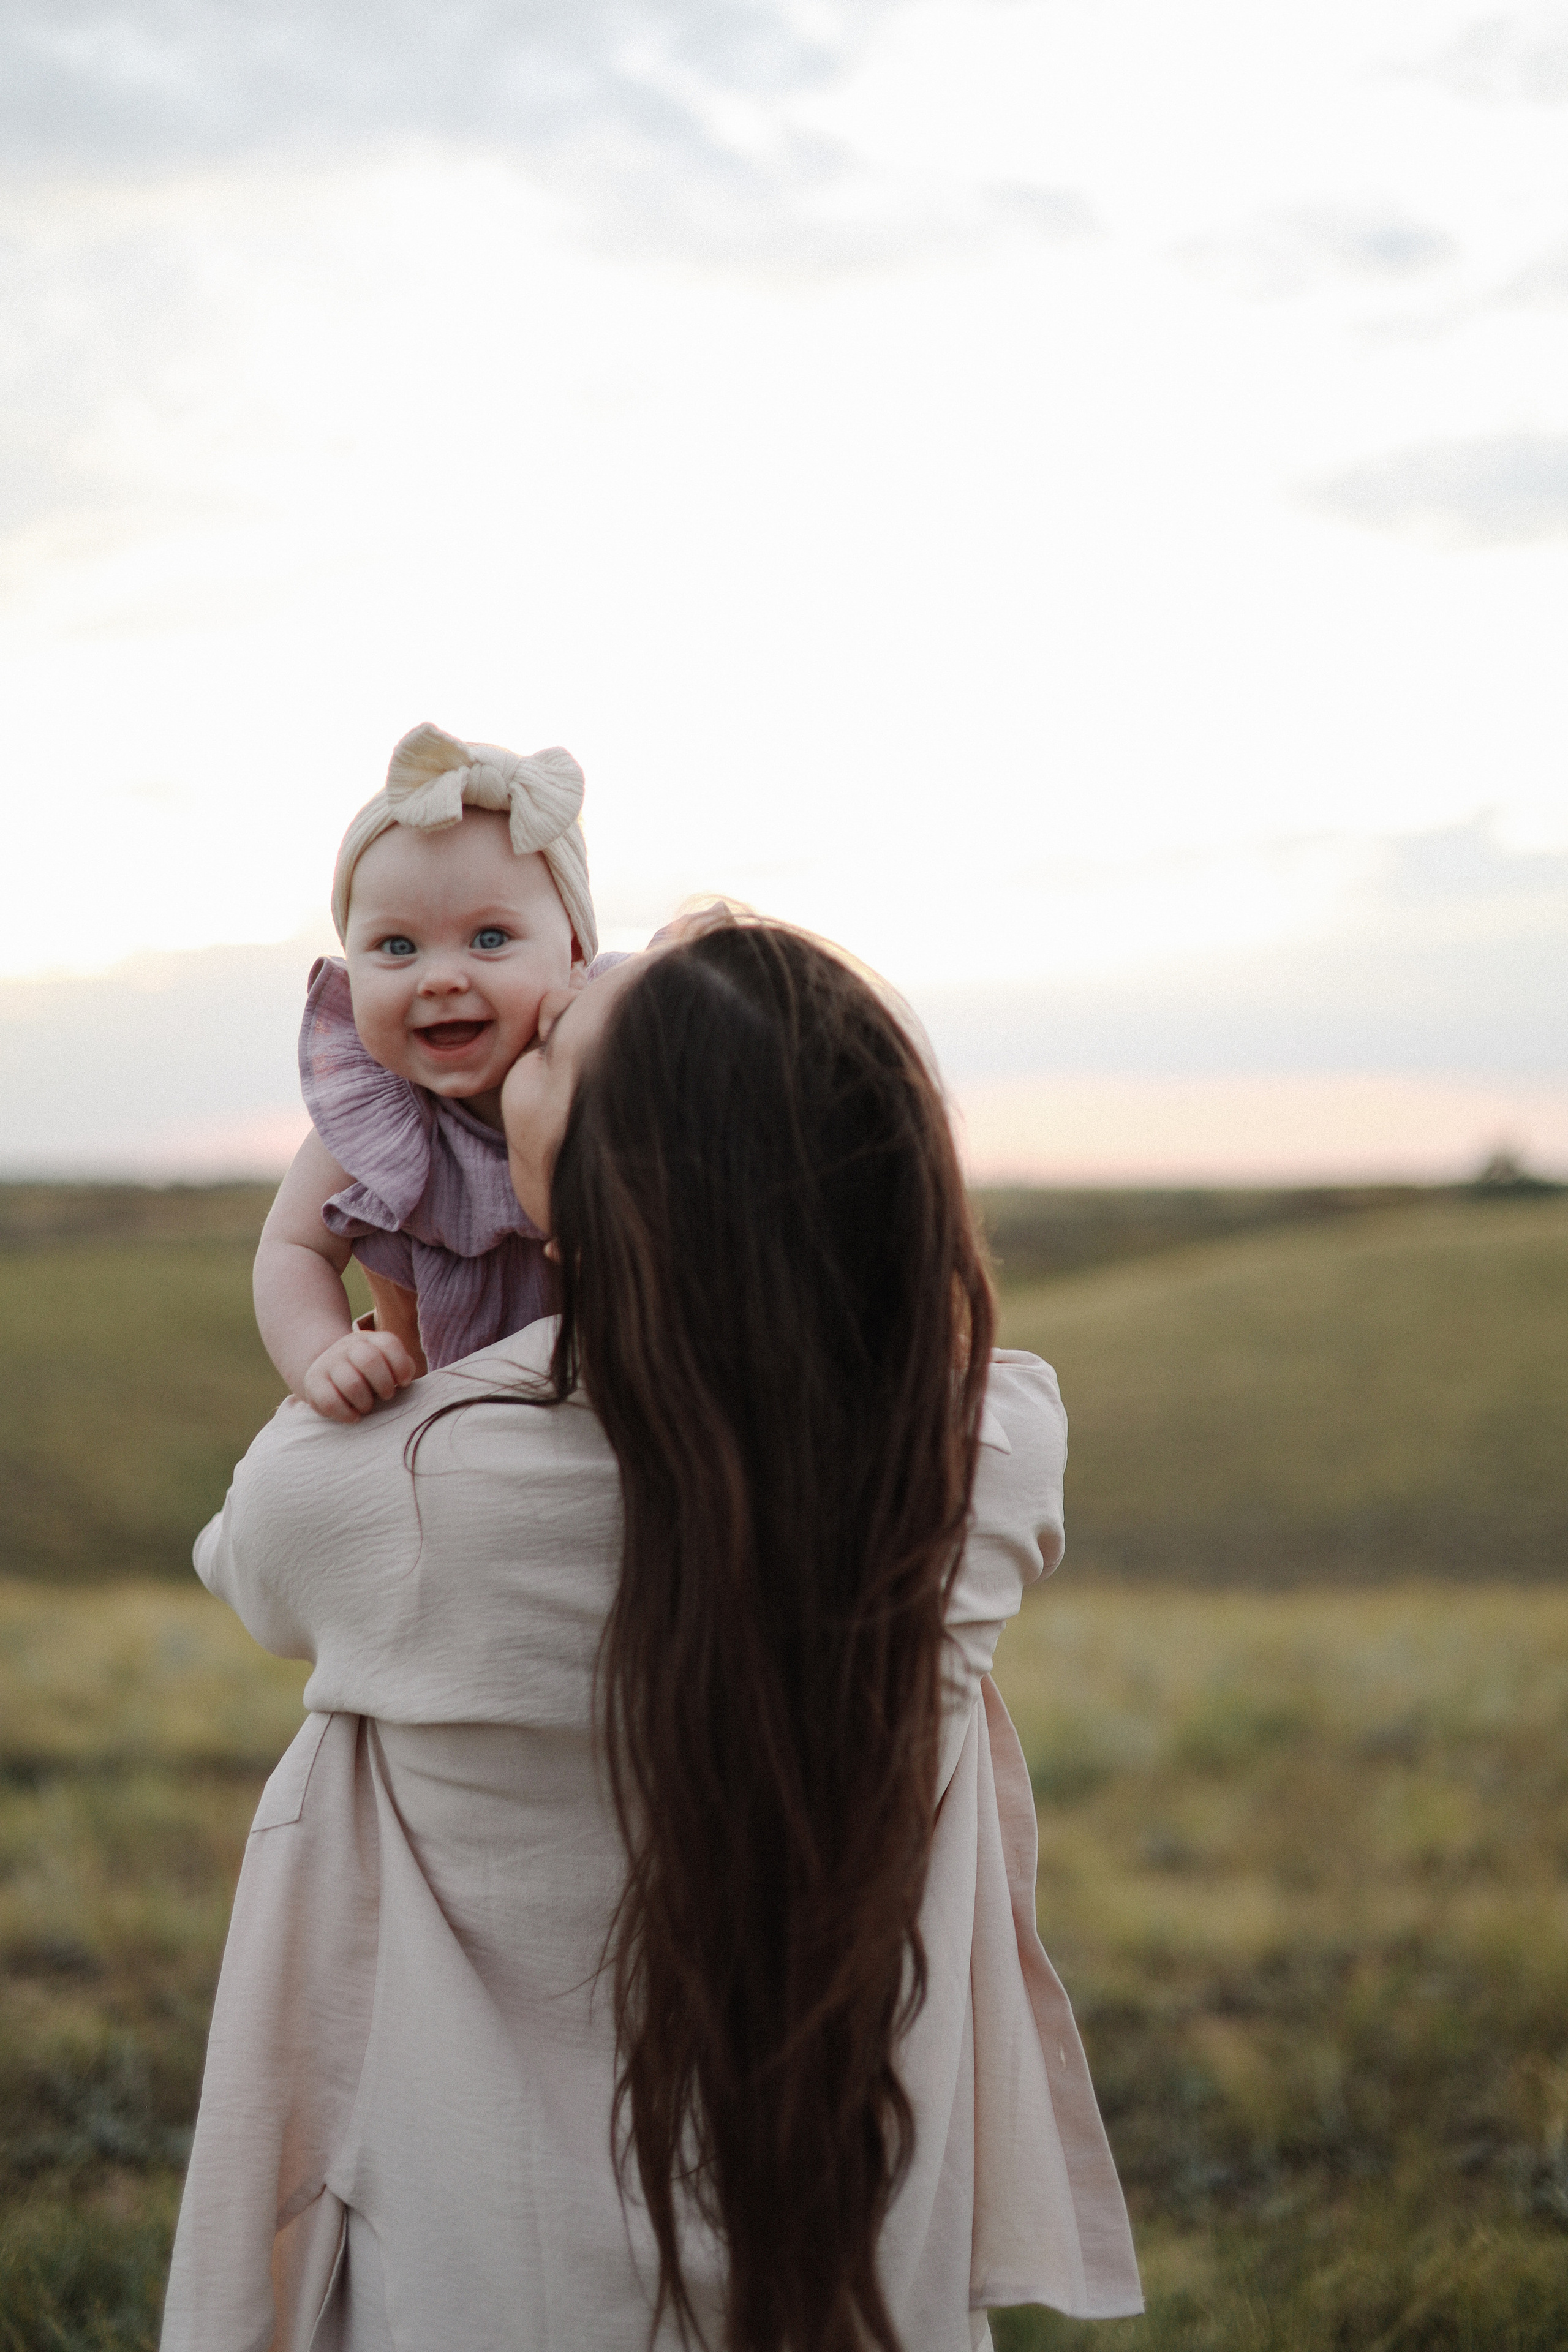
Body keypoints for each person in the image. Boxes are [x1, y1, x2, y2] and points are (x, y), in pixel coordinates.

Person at [162, 919, 1142, 2352]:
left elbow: (249, 1560)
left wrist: (417, 1298)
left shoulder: (405, 1491)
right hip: (843, 2253)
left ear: (602, 1187)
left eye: (554, 1042)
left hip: (495, 2274)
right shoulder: (981, 1452)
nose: (523, 1026)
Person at [253, 720, 605, 1421]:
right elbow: (293, 1249)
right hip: (424, 1416)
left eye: (491, 938)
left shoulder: (607, 1068)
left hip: (602, 1400)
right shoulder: (374, 1120)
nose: (441, 977)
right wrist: (322, 1352)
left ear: (573, 951)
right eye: (397, 946)